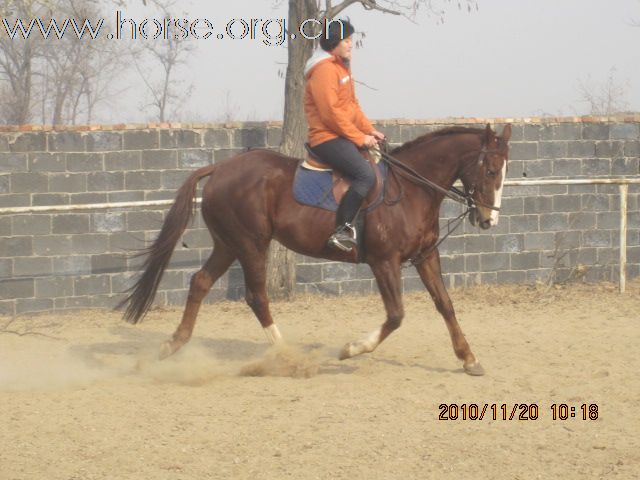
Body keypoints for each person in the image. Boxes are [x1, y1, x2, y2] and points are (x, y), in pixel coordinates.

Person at [303, 19, 385, 252]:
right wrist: (360, 138)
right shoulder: (324, 70)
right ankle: (341, 229)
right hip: (326, 137)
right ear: (334, 42)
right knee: (365, 175)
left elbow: (351, 106)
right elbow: (331, 114)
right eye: (346, 40)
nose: (351, 44)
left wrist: (370, 130)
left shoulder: (341, 67)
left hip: (340, 133)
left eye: (351, 40)